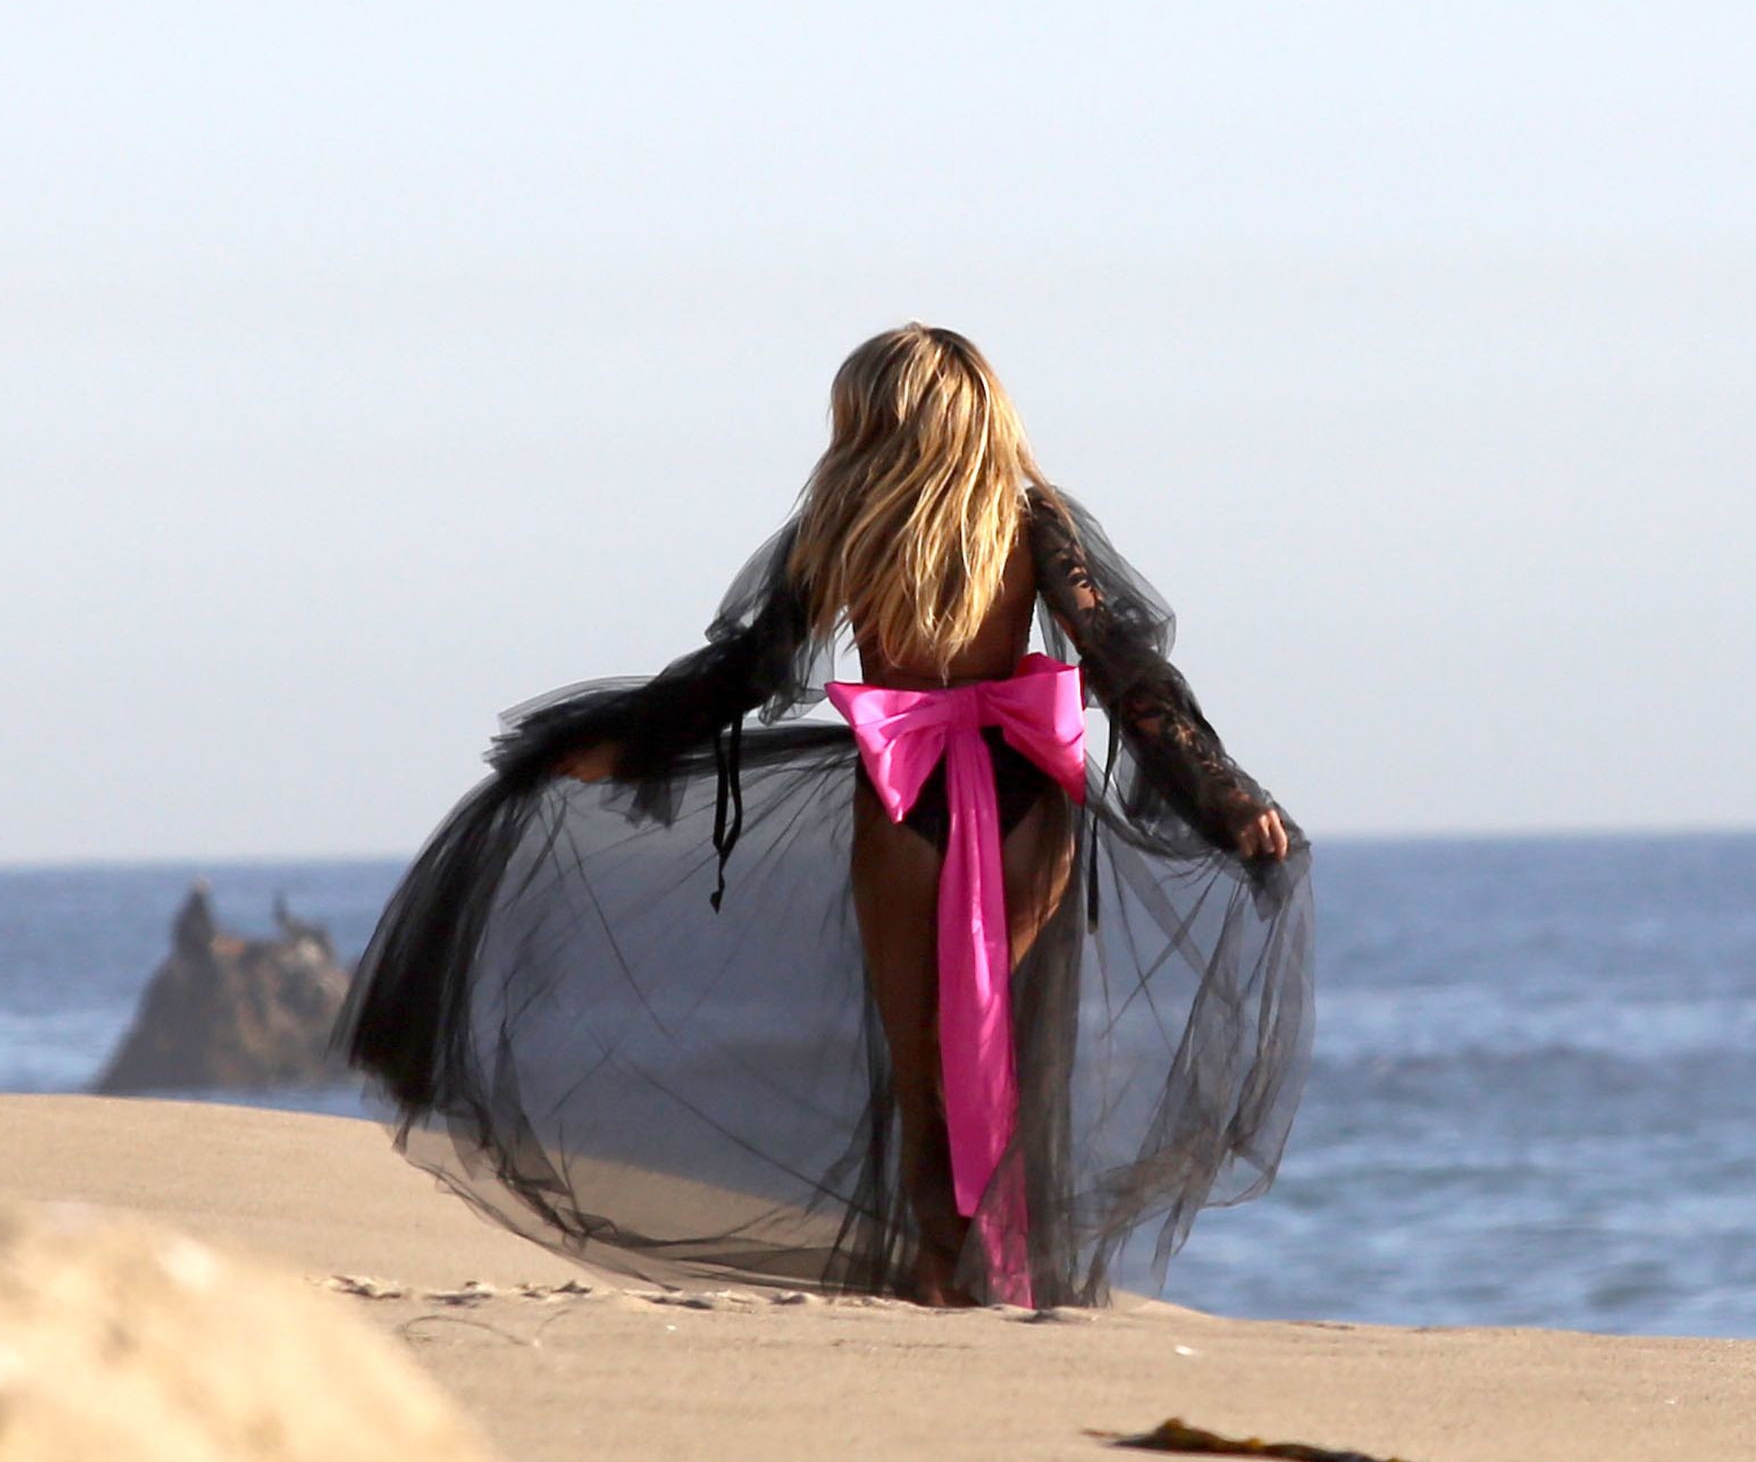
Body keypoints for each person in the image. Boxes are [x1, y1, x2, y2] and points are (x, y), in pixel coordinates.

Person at [335, 323, 1315, 1309]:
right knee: (1011, 1054)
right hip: (1025, 799)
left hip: (903, 797)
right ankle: (1015, 1276)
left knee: (923, 1071)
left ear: (877, 416)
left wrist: (629, 746)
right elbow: (1121, 666)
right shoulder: (1028, 523)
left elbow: (749, 668)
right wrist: (1220, 792)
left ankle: (942, 1274)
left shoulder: (849, 524)